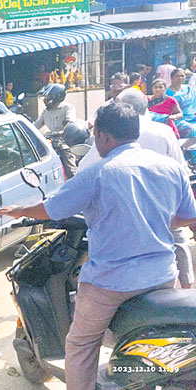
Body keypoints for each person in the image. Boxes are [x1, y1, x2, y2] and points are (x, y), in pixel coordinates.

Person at [0, 102, 196, 390]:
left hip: (112, 283)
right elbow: (188, 217)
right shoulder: (171, 168)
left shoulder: (97, 174)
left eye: (96, 136)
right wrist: (155, 219)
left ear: (103, 136)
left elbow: (52, 209)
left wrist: (19, 210)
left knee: (80, 343)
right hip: (163, 277)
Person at [81, 89, 193, 288]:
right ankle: (186, 289)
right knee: (178, 241)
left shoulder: (111, 135)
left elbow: (84, 169)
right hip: (165, 211)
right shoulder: (163, 131)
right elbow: (180, 171)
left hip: (124, 214)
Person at [34, 83, 78, 178]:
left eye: (47, 97)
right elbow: (36, 125)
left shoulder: (67, 107)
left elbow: (70, 122)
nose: (44, 100)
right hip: (50, 141)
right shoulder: (46, 111)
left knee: (70, 170)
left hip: (64, 142)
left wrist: (62, 132)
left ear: (55, 97)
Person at [166, 68, 196, 137]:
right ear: (171, 78)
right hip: (178, 120)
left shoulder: (189, 89)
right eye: (177, 76)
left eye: (182, 76)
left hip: (193, 117)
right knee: (192, 130)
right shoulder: (167, 93)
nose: (180, 78)